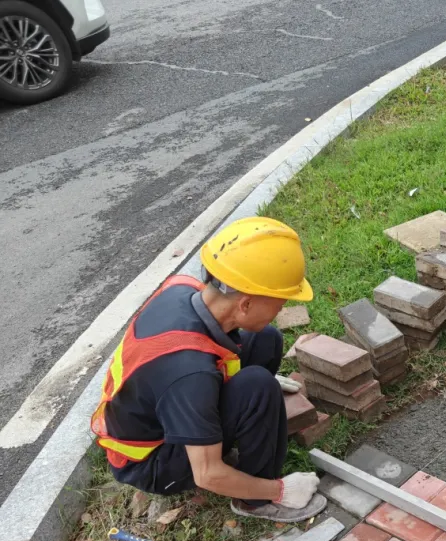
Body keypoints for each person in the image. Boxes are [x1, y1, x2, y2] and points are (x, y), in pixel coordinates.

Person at [91, 216, 327, 522]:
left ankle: (250, 416)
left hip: (171, 401)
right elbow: (207, 474)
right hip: (153, 462)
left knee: (265, 338)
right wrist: (278, 489)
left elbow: (203, 357)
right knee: (258, 386)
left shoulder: (184, 290)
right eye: (280, 301)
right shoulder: (189, 374)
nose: (282, 308)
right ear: (245, 304)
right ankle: (253, 501)